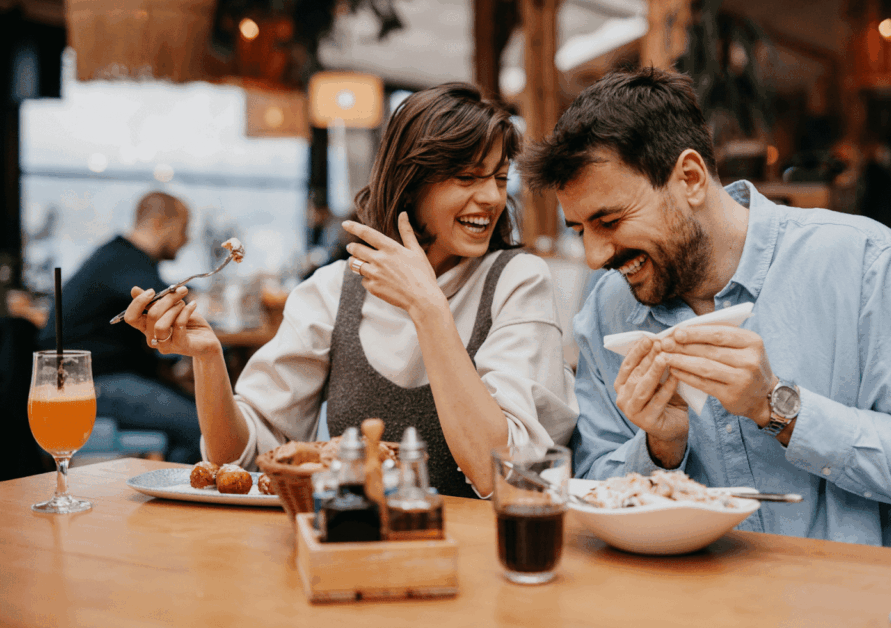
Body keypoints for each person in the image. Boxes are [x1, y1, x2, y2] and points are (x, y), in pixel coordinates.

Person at [516, 67, 891, 555]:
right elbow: (592, 487)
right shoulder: (607, 309)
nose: (595, 256)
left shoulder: (870, 265)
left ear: (691, 179)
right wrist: (661, 450)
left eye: (609, 221)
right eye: (579, 230)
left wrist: (778, 406)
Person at [122, 83, 578, 497]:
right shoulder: (333, 290)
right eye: (468, 178)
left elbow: (506, 474)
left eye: (499, 178)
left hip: (481, 560)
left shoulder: (518, 281)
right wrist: (208, 358)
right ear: (411, 180)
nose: (493, 198)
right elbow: (236, 463)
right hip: (356, 547)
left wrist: (427, 306)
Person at [38, 191, 202, 463]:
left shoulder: (119, 257)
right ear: (161, 223)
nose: (186, 240)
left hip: (96, 378)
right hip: (91, 384)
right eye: (184, 229)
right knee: (203, 428)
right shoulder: (123, 262)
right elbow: (167, 298)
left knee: (197, 415)